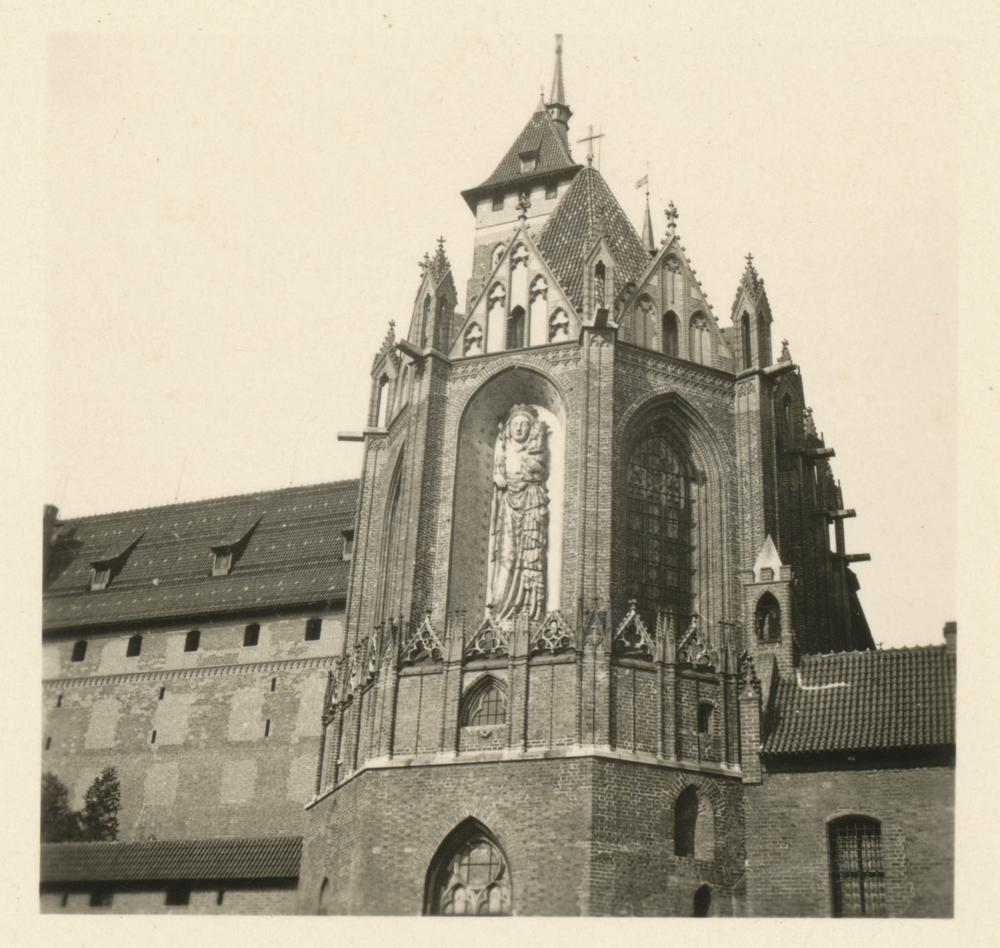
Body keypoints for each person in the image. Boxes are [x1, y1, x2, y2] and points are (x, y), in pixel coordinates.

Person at [487, 405, 549, 621]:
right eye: (515, 424)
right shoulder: (502, 452)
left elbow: (540, 474)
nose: (519, 428)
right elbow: (498, 480)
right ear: (508, 428)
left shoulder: (536, 451)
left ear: (532, 428)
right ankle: (500, 609)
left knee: (529, 555)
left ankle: (526, 609)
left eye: (524, 424)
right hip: (507, 509)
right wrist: (496, 479)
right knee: (507, 555)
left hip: (529, 505)